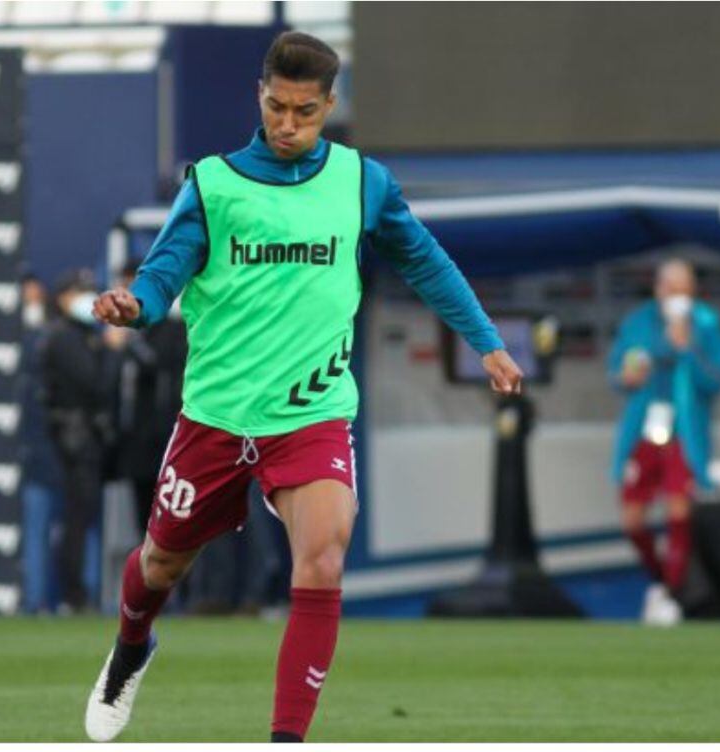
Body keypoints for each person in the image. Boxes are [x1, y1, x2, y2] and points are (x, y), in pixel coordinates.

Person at [85, 31, 522, 743]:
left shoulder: (361, 181)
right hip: (218, 416)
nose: (289, 125)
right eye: (278, 108)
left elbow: (426, 261)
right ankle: (132, 645)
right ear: (260, 95)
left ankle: (286, 739)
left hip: (311, 414)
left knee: (322, 558)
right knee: (161, 563)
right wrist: (133, 306)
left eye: (306, 112)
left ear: (330, 105)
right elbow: (162, 277)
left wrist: (487, 341)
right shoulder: (214, 184)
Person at [607, 258, 720, 624]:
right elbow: (617, 372)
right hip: (643, 432)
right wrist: (628, 376)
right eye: (670, 286)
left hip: (683, 432)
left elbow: (717, 380)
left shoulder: (706, 324)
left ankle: (673, 595)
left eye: (683, 288)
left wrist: (687, 348)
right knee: (632, 519)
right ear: (658, 288)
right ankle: (662, 581)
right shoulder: (638, 322)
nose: (676, 294)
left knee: (678, 512)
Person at [41, 269, 126, 613]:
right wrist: (113, 352)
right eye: (80, 291)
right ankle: (72, 595)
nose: (87, 297)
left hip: (88, 438)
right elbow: (95, 384)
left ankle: (78, 592)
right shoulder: (63, 337)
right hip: (73, 439)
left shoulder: (84, 334)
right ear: (63, 298)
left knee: (83, 515)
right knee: (77, 516)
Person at [106, 260, 188, 538]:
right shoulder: (114, 335)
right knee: (142, 523)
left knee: (170, 522)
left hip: (164, 438)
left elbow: (160, 366)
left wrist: (130, 343)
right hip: (134, 441)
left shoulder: (172, 328)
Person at [18, 274, 64, 613]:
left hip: (63, 452)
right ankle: (35, 600)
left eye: (37, 298)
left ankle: (66, 599)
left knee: (68, 531)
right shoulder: (18, 345)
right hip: (32, 452)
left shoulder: (56, 337)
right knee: (36, 528)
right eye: (27, 298)